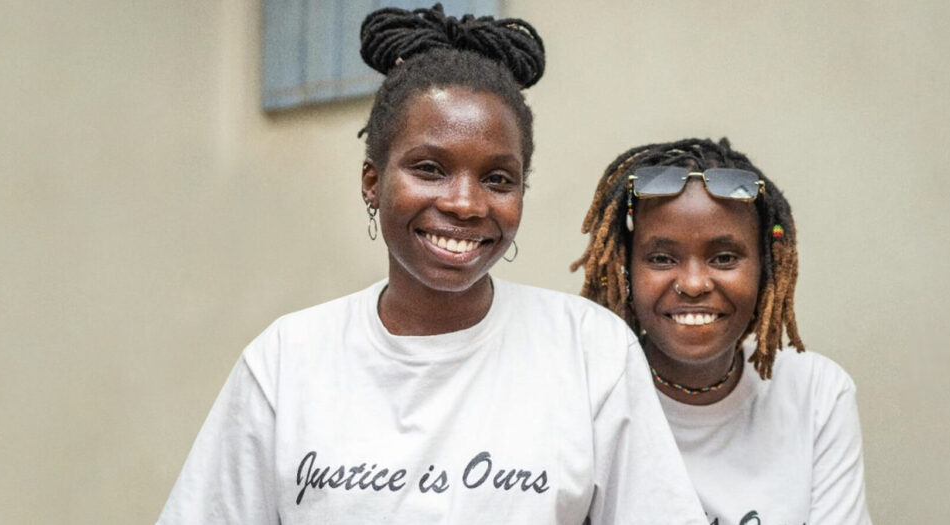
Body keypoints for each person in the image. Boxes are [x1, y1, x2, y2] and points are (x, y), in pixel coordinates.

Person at [157, 6, 705, 524]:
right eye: (430, 168)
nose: (465, 203)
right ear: (373, 181)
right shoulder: (286, 362)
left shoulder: (590, 353)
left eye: (497, 179)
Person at [571, 138, 873, 525]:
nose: (694, 283)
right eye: (662, 259)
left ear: (766, 267)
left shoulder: (817, 395)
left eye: (724, 258)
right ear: (625, 268)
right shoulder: (586, 397)